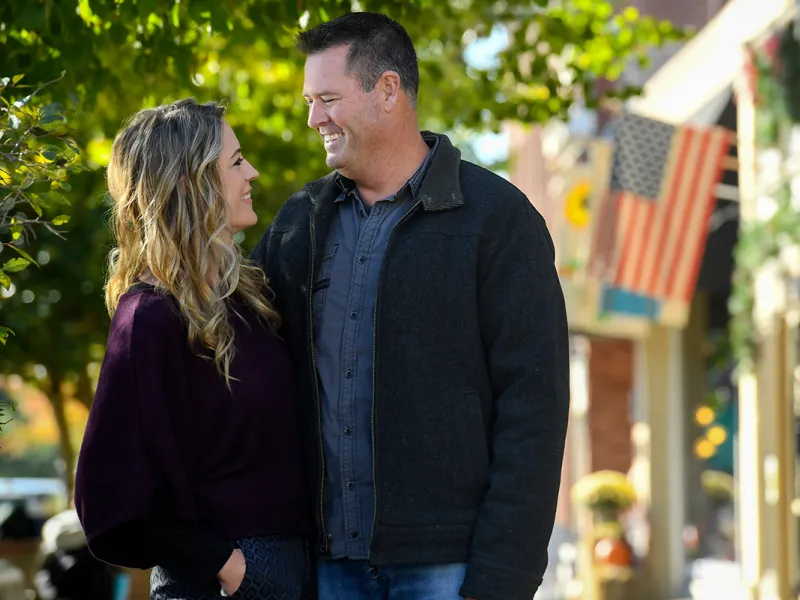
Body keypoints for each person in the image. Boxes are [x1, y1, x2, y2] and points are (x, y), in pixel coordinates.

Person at [249, 12, 570, 600]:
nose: (314, 117)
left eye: (327, 98)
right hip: (325, 570)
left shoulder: (498, 220)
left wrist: (503, 579)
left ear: (388, 90)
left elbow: (535, 410)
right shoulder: (300, 222)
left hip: (451, 570)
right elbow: (239, 362)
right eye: (308, 101)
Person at [74, 98, 311, 600]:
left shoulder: (247, 301)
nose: (254, 172)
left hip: (294, 567)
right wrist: (226, 566)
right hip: (221, 581)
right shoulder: (150, 317)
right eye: (236, 161)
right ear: (192, 182)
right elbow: (109, 500)